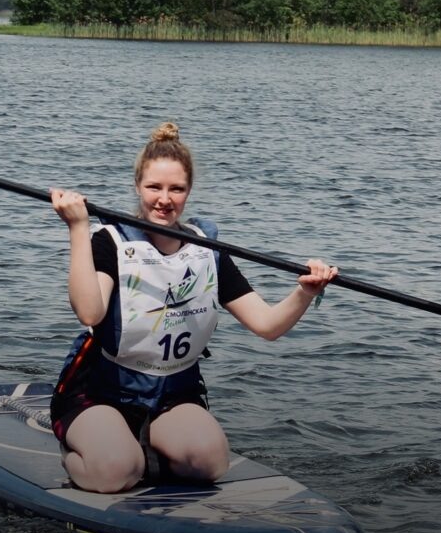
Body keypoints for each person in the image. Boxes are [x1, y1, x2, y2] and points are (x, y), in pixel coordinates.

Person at [49, 122, 337, 494]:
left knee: (208, 464)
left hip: (172, 392)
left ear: (189, 192)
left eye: (176, 189)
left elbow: (267, 326)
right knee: (116, 472)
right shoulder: (110, 242)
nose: (163, 199)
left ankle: (145, 444)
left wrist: (306, 292)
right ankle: (91, 453)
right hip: (99, 392)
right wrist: (77, 227)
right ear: (138, 186)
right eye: (154, 187)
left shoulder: (206, 251)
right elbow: (90, 313)